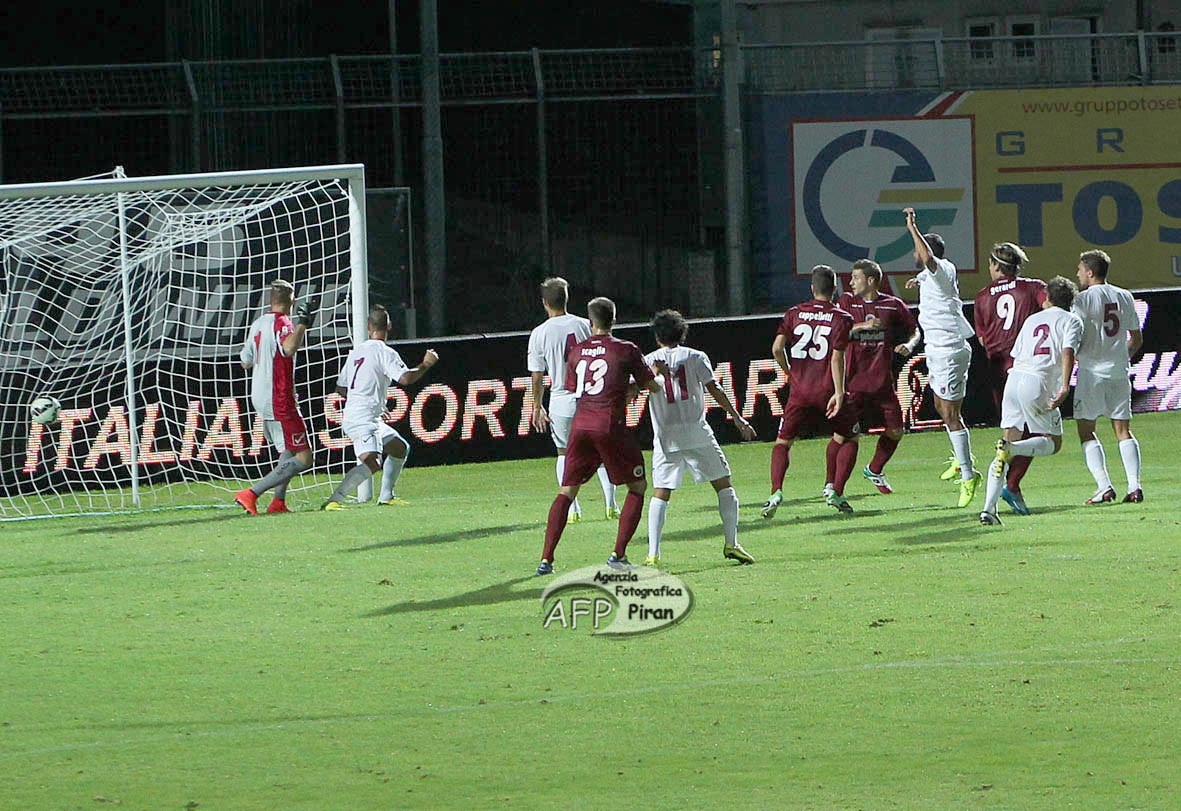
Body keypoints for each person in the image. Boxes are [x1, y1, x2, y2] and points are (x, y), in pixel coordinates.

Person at [536, 297, 663, 575]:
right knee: (637, 487)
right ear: (614, 320)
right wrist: (652, 375)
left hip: (580, 426)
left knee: (567, 491)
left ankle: (546, 559)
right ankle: (618, 554)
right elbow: (651, 386)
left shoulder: (577, 351)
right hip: (609, 425)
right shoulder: (626, 349)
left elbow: (579, 388)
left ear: (590, 322)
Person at [643, 309, 757, 567]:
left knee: (661, 492)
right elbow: (713, 387)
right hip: (697, 431)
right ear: (682, 332)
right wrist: (737, 418)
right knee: (724, 486)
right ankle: (732, 542)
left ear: (657, 336)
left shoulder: (648, 360)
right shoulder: (696, 357)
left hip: (666, 436)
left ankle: (653, 553)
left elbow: (637, 389)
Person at [979, 276, 1083, 525]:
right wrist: (1065, 386)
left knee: (1006, 443)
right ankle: (1013, 450)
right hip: (1037, 383)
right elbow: (1068, 351)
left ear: (1047, 297)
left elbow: (1017, 354)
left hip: (1014, 380)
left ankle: (988, 510)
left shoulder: (1032, 319)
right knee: (1052, 443)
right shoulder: (1072, 321)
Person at [761, 265, 858, 518]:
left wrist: (789, 372)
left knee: (783, 442)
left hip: (800, 390)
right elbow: (837, 359)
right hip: (827, 389)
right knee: (849, 437)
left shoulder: (794, 313)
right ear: (835, 289)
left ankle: (776, 492)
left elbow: (776, 349)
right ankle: (835, 491)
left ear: (812, 288)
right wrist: (839, 392)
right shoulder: (842, 318)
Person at [321, 305, 439, 510]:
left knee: (399, 447)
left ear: (368, 327)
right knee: (372, 462)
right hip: (362, 417)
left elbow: (340, 388)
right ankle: (334, 500)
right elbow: (406, 378)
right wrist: (426, 364)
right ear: (390, 326)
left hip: (364, 414)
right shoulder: (385, 352)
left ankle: (386, 496)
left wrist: (365, 398)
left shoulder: (356, 352)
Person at [902, 207, 981, 508]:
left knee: (950, 413)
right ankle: (962, 460)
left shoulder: (943, 268)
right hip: (936, 349)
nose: (915, 253)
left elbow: (928, 261)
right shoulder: (929, 275)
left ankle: (969, 474)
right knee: (940, 407)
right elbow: (926, 269)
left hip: (950, 349)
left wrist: (912, 227)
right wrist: (918, 279)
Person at [527, 277, 619, 522]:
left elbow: (537, 375)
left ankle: (573, 509)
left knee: (563, 454)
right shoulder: (584, 325)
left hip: (561, 400)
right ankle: (611, 505)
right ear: (566, 298)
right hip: (591, 397)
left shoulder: (539, 333)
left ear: (544, 302)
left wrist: (536, 406)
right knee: (601, 452)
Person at [972, 242, 1047, 514]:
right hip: (1026, 367)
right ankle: (1011, 485)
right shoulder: (1033, 287)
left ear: (994, 265)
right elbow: (1051, 311)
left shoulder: (981, 296)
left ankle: (998, 495)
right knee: (1039, 433)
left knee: (1012, 431)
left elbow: (982, 339)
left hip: (996, 367)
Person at [234, 280, 318, 515]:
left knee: (287, 450)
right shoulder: (284, 323)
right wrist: (302, 324)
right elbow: (289, 348)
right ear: (291, 300)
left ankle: (278, 502)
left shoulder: (258, 323)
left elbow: (245, 362)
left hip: (260, 395)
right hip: (278, 398)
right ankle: (251, 493)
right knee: (304, 458)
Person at [837, 259, 919, 496]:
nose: (851, 283)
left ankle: (874, 469)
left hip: (883, 382)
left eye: (856, 278)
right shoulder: (846, 303)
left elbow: (915, 330)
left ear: (870, 280)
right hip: (853, 382)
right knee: (843, 435)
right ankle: (833, 486)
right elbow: (839, 333)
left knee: (896, 431)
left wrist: (909, 344)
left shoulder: (893, 305)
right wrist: (864, 326)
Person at [1072, 249, 1144, 504]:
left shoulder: (1081, 300)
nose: (1078, 273)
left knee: (1086, 430)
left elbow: (1074, 337)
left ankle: (1104, 486)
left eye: (1080, 269)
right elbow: (1136, 338)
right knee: (1123, 430)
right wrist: (1120, 357)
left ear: (1090, 272)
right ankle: (1135, 487)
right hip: (1118, 372)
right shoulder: (1124, 296)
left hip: (1091, 373)